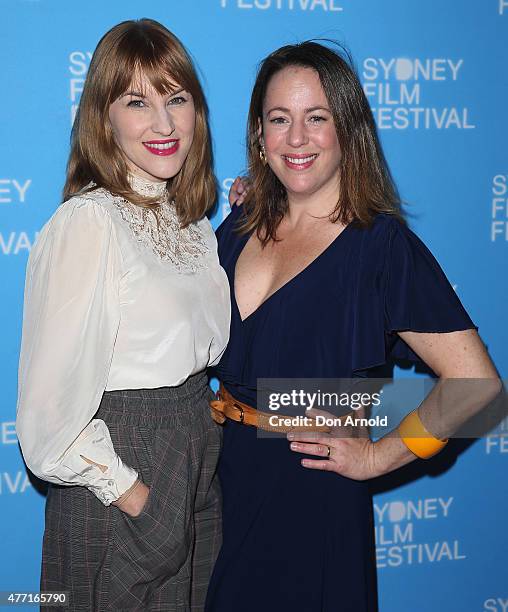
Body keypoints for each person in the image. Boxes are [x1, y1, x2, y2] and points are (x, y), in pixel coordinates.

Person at [205, 42, 500, 611]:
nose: (296, 138)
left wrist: (378, 456)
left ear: (349, 130)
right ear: (259, 134)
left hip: (310, 502)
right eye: (279, 119)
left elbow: (476, 384)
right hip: (220, 488)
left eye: (317, 118)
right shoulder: (238, 223)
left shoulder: (381, 247)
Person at [16, 19, 230, 611]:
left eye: (176, 98)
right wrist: (138, 499)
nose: (164, 124)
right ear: (103, 117)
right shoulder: (89, 224)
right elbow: (46, 422)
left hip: (193, 469)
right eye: (137, 101)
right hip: (120, 485)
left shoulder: (192, 224)